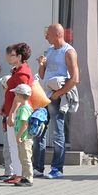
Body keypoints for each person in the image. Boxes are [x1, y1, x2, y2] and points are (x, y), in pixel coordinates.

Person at [34, 24, 79, 179]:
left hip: (57, 97)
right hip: (44, 96)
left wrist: (58, 94)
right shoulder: (50, 50)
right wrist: (41, 66)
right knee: (39, 130)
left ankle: (57, 169)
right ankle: (37, 168)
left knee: (57, 133)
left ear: (57, 34)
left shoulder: (69, 52)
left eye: (48, 34)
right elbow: (43, 74)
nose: (46, 37)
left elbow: (75, 79)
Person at [0, 42, 32, 182]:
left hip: (18, 113)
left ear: (19, 57)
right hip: (13, 111)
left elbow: (19, 97)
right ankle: (17, 174)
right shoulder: (17, 70)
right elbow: (11, 95)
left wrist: (11, 114)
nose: (9, 57)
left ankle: (20, 175)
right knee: (12, 145)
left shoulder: (22, 73)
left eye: (12, 55)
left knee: (16, 145)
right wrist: (4, 109)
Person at [10, 83, 34, 187]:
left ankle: (28, 178)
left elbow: (25, 124)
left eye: (15, 94)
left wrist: (18, 136)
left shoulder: (24, 109)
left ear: (20, 95)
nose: (15, 96)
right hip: (23, 137)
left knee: (25, 158)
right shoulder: (25, 107)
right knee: (23, 157)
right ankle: (25, 177)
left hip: (24, 138)